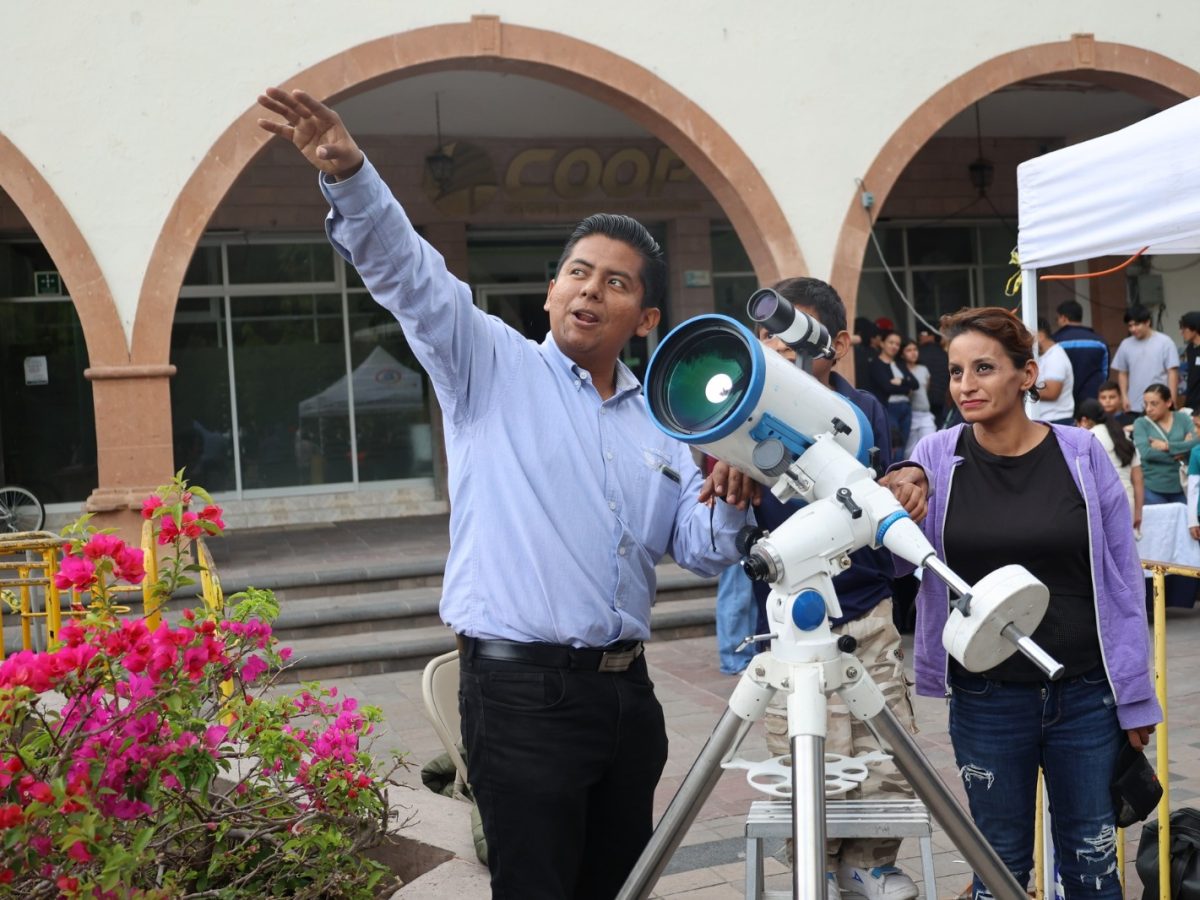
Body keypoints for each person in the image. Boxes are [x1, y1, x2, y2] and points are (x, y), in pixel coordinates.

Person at [255, 87, 756, 900]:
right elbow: (413, 277)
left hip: (628, 697)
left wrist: (732, 493)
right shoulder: (489, 366)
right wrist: (351, 175)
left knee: (620, 886)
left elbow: (698, 550)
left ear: (646, 315)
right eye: (577, 273)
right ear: (552, 290)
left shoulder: (662, 425)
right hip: (522, 696)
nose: (590, 291)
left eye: (615, 283)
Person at [899, 306, 1160, 900]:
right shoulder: (937, 457)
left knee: (1093, 868)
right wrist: (902, 483)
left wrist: (1134, 696)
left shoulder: (1082, 453)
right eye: (956, 370)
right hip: (987, 698)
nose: (966, 384)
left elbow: (1121, 576)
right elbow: (900, 547)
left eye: (984, 368)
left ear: (1027, 374)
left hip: (1086, 696)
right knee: (999, 868)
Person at [754, 279, 920, 900]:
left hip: (866, 610)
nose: (775, 348)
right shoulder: (751, 417)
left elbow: (886, 476)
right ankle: (813, 864)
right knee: (803, 751)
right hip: (793, 623)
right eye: (765, 338)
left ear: (837, 343)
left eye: (791, 335)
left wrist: (910, 475)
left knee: (886, 749)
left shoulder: (862, 411)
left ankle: (871, 860)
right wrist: (723, 469)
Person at [1075, 398, 1143, 534]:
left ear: (1083, 420)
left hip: (1103, 504)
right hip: (1127, 501)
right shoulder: (1122, 434)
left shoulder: (1089, 437)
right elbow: (1138, 479)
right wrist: (1138, 512)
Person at [1131, 383, 1196, 506]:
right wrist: (1184, 450)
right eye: (1145, 404)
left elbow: (1197, 442)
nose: (1148, 409)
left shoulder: (1183, 419)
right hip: (1152, 488)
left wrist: (1168, 446)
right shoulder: (1141, 423)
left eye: (1154, 404)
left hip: (1182, 487)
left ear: (1168, 402)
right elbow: (1146, 453)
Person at [1111, 305, 1179, 414]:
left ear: (1147, 322)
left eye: (1137, 325)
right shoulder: (1125, 344)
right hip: (1134, 404)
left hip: (1159, 404)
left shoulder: (1165, 342)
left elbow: (1172, 373)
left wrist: (1172, 400)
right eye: (1130, 326)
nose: (1133, 329)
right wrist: (1124, 396)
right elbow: (1122, 373)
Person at [866, 331, 918, 456]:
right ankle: (893, 473)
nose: (894, 346)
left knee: (904, 444)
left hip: (906, 408)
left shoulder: (900, 364)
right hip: (889, 408)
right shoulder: (876, 364)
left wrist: (901, 381)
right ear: (882, 343)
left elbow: (915, 384)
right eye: (891, 342)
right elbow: (887, 387)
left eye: (897, 344)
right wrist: (906, 388)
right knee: (895, 445)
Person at [1052, 299, 1109, 404]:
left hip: (1064, 401)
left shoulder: (1054, 342)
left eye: (1057, 319)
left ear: (1063, 318)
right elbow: (1105, 373)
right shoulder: (1099, 342)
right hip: (1092, 400)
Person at [1029, 318, 1075, 425]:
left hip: (1057, 420)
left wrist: (1025, 389)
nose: (1027, 341)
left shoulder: (1055, 357)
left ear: (1040, 336)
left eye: (1029, 336)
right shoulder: (1045, 356)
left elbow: (1052, 392)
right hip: (1048, 420)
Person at [901, 338, 936, 456]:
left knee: (931, 446)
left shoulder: (923, 369)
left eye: (915, 349)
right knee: (910, 451)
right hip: (909, 415)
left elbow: (925, 389)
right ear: (902, 353)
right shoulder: (900, 370)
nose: (913, 352)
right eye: (908, 350)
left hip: (925, 413)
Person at [916, 326, 950, 427]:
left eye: (922, 335)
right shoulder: (945, 354)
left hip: (923, 401)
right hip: (942, 398)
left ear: (931, 336)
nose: (920, 338)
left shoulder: (918, 353)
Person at [1179, 311, 1200, 412]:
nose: (1181, 332)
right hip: (1191, 401)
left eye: (1184, 328)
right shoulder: (1190, 348)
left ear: (1195, 328)